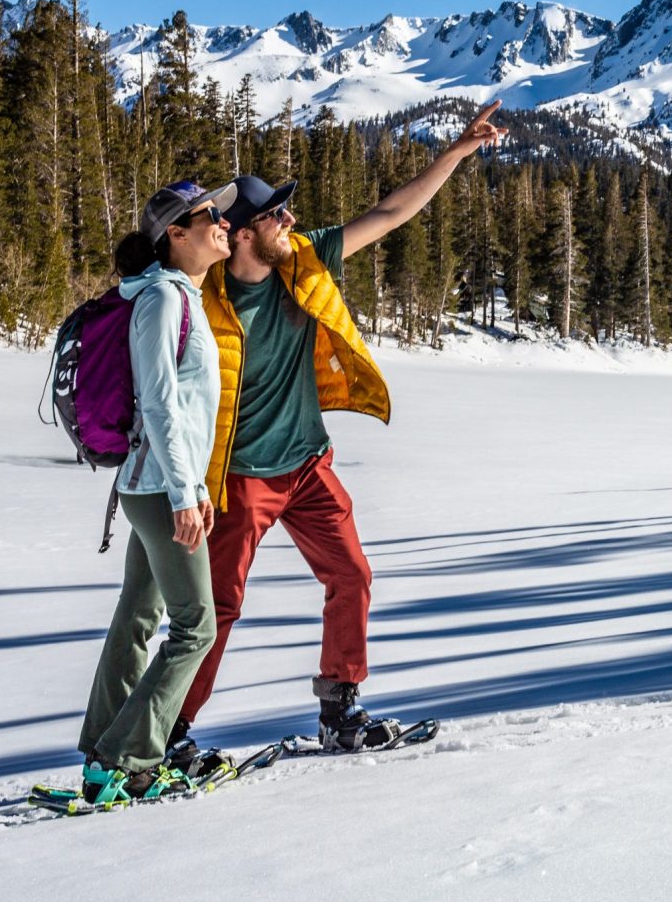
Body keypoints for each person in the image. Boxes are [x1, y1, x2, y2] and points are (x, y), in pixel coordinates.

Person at [167, 101, 506, 765]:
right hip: (239, 479)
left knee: (351, 575)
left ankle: (340, 709)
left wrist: (458, 152)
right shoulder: (198, 299)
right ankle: (168, 729)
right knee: (219, 606)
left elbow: (389, 213)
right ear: (238, 235)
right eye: (274, 215)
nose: (289, 220)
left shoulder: (304, 260)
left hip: (308, 467)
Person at [76, 179, 238, 803]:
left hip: (156, 484)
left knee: (139, 617)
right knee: (197, 625)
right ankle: (130, 756)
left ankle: (101, 752)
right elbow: (162, 404)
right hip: (160, 487)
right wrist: (184, 493)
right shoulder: (164, 299)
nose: (223, 223)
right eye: (209, 216)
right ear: (175, 232)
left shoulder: (179, 297)